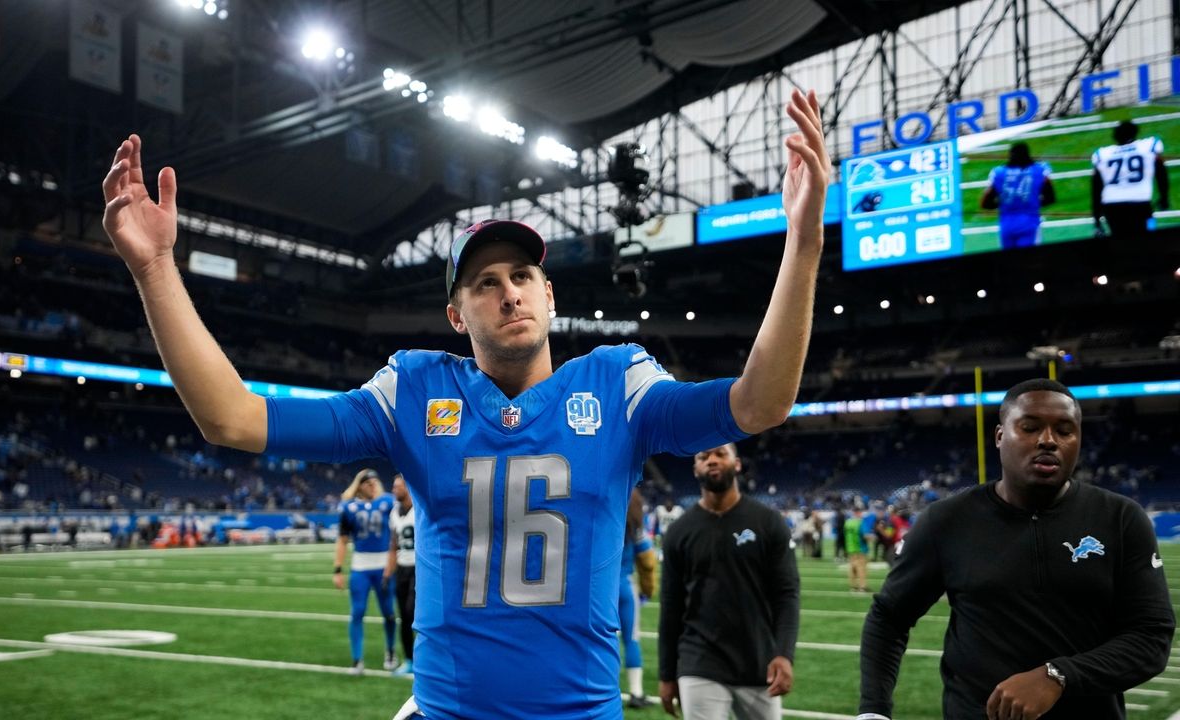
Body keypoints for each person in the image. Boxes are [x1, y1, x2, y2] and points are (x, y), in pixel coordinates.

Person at [100, 87, 830, 720]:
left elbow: (759, 403)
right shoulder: (414, 389)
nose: (509, 290)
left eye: (522, 275)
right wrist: (156, 268)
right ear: (457, 314)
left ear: (550, 294)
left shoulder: (619, 384)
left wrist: (801, 243)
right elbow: (233, 417)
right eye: (484, 282)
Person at [857, 378, 1175, 720]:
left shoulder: (1121, 518)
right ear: (999, 437)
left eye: (1065, 430)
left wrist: (1058, 676)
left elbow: (1151, 638)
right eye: (1030, 427)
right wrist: (874, 710)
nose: (1048, 441)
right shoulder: (946, 521)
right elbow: (889, 617)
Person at [658, 443, 800, 720]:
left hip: (758, 660)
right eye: (703, 456)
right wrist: (666, 674)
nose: (712, 460)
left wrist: (784, 653)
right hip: (698, 661)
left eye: (720, 453)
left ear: (737, 464)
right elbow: (671, 606)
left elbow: (786, 594)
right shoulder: (678, 532)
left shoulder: (768, 522)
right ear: (695, 468)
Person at [333, 468, 398, 675]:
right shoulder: (348, 507)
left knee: (389, 613)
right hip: (360, 566)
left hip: (383, 566)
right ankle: (356, 659)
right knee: (357, 613)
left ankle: (390, 651)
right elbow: (342, 540)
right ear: (359, 485)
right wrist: (337, 568)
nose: (373, 486)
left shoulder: (387, 502)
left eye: (375, 482)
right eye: (368, 483)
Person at [1091, 120, 1169, 240]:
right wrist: (1164, 197)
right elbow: (1161, 173)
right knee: (1147, 242)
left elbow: (1096, 188)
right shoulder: (1148, 146)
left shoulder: (1103, 154)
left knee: (1121, 243)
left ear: (1115, 136)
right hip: (1140, 202)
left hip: (1112, 205)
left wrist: (1096, 220)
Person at [980, 142, 1055, 249]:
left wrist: (1003, 205)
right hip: (1029, 224)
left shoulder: (999, 173)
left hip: (1007, 226)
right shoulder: (1039, 170)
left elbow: (985, 203)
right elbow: (1050, 198)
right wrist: (1033, 203)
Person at [621, 487, 657, 709]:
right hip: (624, 585)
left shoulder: (598, 513)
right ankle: (636, 692)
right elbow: (647, 557)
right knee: (631, 639)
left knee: (598, 640)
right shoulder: (635, 517)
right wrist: (648, 588)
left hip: (596, 588)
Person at [384, 473, 417, 675]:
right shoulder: (394, 513)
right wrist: (388, 573)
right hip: (402, 568)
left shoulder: (419, 510)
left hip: (418, 568)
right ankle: (409, 660)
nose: (394, 490)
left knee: (412, 613)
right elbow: (393, 545)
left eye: (398, 486)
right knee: (403, 617)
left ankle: (424, 659)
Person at [843, 505, 869, 592]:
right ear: (858, 512)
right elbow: (865, 536)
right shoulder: (861, 522)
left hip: (850, 548)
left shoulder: (848, 522)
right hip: (860, 548)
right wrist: (872, 537)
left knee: (852, 569)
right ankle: (862, 587)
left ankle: (853, 586)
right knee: (861, 569)